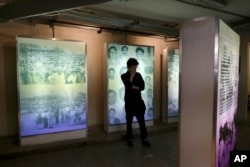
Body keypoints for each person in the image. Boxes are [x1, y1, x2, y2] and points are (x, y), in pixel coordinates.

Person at [121, 58, 151, 147]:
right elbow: (128, 85)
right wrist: (132, 78)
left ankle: (144, 139)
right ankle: (129, 139)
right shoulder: (124, 76)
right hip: (129, 103)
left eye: (136, 67)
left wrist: (136, 87)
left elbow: (142, 87)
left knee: (142, 122)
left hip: (138, 103)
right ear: (128, 67)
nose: (135, 69)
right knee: (129, 122)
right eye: (133, 67)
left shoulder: (139, 75)